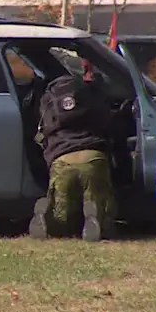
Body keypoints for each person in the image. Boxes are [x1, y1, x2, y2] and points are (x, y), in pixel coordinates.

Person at [29, 60, 118, 242]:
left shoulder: (46, 100)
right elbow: (109, 121)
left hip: (62, 160)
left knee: (62, 219)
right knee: (102, 201)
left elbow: (39, 131)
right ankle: (96, 218)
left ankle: (48, 218)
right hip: (93, 157)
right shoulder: (90, 95)